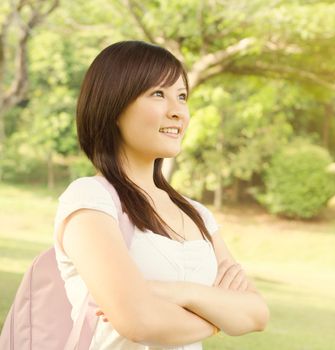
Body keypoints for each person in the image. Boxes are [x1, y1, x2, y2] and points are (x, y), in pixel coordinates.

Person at [53, 40, 269, 350]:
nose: (177, 111)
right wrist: (221, 316)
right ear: (114, 106)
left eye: (181, 96)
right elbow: (138, 322)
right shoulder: (90, 200)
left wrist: (183, 294)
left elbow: (257, 314)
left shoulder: (197, 214)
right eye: (158, 94)